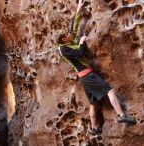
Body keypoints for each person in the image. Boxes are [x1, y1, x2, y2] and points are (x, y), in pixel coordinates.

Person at [56, 0, 136, 136]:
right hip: (87, 75)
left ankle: (93, 129)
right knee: (110, 91)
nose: (70, 35)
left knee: (94, 103)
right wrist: (81, 42)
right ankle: (121, 115)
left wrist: (79, 8)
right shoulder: (64, 49)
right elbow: (80, 53)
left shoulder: (67, 42)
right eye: (67, 36)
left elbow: (73, 27)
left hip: (85, 78)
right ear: (64, 39)